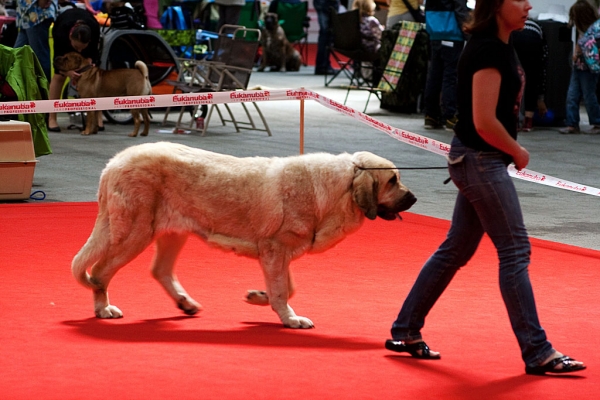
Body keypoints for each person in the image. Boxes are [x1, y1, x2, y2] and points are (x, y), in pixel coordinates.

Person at [385, 0, 587, 376]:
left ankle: (405, 330)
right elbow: (482, 120)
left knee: (455, 249)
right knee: (514, 251)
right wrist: (517, 150)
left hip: (477, 160)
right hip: (482, 160)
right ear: (497, 6)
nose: (528, 5)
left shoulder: (499, 45)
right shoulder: (488, 50)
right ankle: (538, 350)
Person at [47, 7, 100, 132]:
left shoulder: (94, 29)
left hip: (88, 25)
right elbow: (57, 62)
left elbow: (95, 55)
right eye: (77, 47)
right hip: (64, 27)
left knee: (94, 77)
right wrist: (68, 72)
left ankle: (98, 119)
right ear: (71, 37)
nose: (79, 51)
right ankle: (52, 118)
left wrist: (90, 62)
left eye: (82, 48)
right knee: (59, 76)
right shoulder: (61, 32)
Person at [422, 0, 469, 131]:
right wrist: (468, 33)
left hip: (435, 33)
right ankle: (450, 116)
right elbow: (460, 11)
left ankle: (430, 116)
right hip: (452, 34)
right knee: (450, 76)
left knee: (434, 75)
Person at [560, 0, 600, 134]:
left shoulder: (592, 31)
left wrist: (577, 52)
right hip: (581, 66)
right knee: (574, 94)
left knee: (586, 95)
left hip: (587, 68)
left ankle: (596, 121)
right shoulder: (590, 29)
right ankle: (572, 123)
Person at [512, 19, 548, 132]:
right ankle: (528, 121)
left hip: (515, 36)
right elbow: (542, 64)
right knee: (532, 77)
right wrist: (540, 98)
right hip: (534, 40)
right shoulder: (539, 26)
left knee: (513, 77)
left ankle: (514, 121)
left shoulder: (513, 22)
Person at [14, 0, 58, 82]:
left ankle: (43, 90)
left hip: (37, 15)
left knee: (39, 58)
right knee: (17, 55)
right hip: (26, 16)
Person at [313, 0, 340, 75]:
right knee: (326, 34)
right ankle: (323, 66)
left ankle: (323, 65)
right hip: (327, 3)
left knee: (325, 34)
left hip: (322, 3)